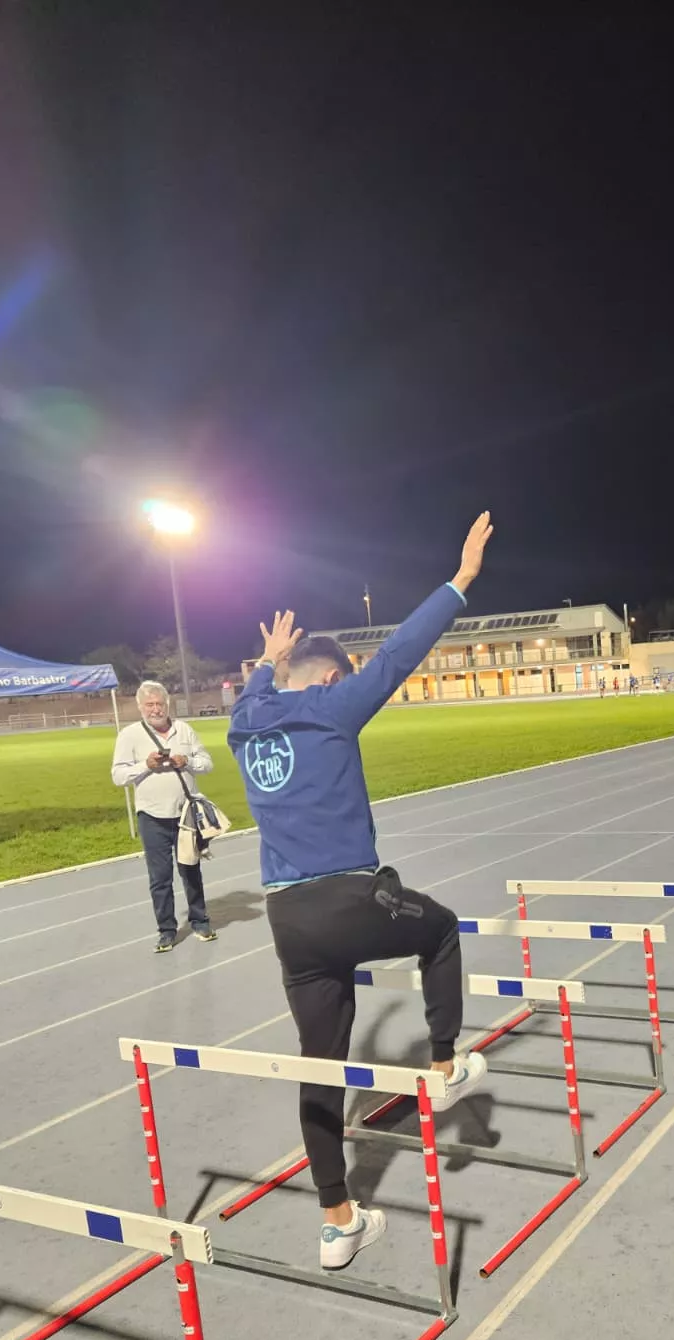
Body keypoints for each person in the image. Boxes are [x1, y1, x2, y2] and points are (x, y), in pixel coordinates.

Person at [227, 512, 494, 1270]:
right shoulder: (335, 707)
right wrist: (461, 580)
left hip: (289, 920)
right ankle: (444, 1067)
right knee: (439, 929)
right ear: (333, 679)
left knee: (321, 1062)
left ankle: (338, 1220)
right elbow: (403, 650)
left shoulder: (245, 728)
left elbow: (252, 700)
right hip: (349, 896)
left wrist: (265, 664)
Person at [112, 681, 217, 953]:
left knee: (191, 869)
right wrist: (145, 765)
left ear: (167, 704)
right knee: (160, 878)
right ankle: (167, 930)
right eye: (150, 704)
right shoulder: (130, 735)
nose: (155, 709)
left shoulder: (185, 730)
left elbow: (207, 763)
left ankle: (200, 921)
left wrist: (188, 761)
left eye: (159, 703)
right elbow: (118, 776)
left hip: (185, 814)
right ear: (140, 707)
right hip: (152, 815)